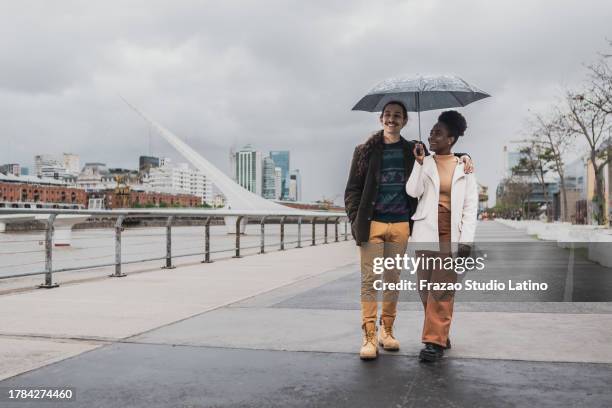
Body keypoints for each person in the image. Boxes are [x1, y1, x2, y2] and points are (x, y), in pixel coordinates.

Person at [344, 101, 473, 360]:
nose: (392, 119)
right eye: (388, 115)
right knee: (370, 281)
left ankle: (387, 331)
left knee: (392, 281)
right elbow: (352, 191)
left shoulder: (412, 149)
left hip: (402, 225)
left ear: (404, 121)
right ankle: (369, 336)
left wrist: (465, 157)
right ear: (381, 119)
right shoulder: (364, 151)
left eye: (398, 116)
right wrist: (356, 220)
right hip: (372, 225)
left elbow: (445, 155)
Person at [406, 110, 478, 362]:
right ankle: (439, 332)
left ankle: (433, 342)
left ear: (451, 139)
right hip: (426, 230)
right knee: (424, 289)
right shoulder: (425, 162)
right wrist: (418, 163)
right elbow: (412, 191)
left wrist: (467, 240)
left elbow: (470, 206)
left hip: (451, 233)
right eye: (431, 132)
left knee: (442, 289)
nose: (432, 136)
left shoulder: (465, 167)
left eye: (438, 132)